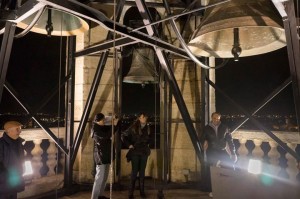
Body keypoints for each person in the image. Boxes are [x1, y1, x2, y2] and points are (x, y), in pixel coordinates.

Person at [201, 112, 237, 198]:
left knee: (230, 167)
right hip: (211, 151)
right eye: (214, 118)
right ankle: (212, 190)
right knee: (211, 170)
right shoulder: (206, 128)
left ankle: (230, 187)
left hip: (222, 150)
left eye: (218, 118)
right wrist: (204, 143)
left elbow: (230, 141)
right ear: (211, 118)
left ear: (220, 118)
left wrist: (233, 153)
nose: (216, 120)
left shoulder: (224, 127)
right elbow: (202, 138)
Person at [122, 112, 152, 199]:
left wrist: (149, 144)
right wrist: (129, 145)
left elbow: (151, 138)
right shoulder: (133, 127)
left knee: (142, 173)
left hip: (144, 152)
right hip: (135, 152)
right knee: (134, 172)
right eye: (142, 117)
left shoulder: (149, 127)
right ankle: (130, 193)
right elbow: (123, 135)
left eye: (145, 117)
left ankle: (142, 192)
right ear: (139, 118)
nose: (144, 118)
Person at [91, 113, 119, 199]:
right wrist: (113, 123)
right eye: (102, 120)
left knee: (105, 177)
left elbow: (112, 129)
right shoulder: (96, 129)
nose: (104, 121)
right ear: (97, 121)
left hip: (106, 155)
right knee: (99, 178)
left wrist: (114, 120)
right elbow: (107, 135)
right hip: (101, 156)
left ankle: (100, 195)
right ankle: (94, 197)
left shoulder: (101, 127)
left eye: (104, 120)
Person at [0, 121, 25, 199]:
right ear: (9, 131)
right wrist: (4, 177)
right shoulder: (1, 144)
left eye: (20, 129)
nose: (20, 131)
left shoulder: (19, 142)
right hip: (4, 183)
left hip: (15, 181)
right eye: (17, 129)